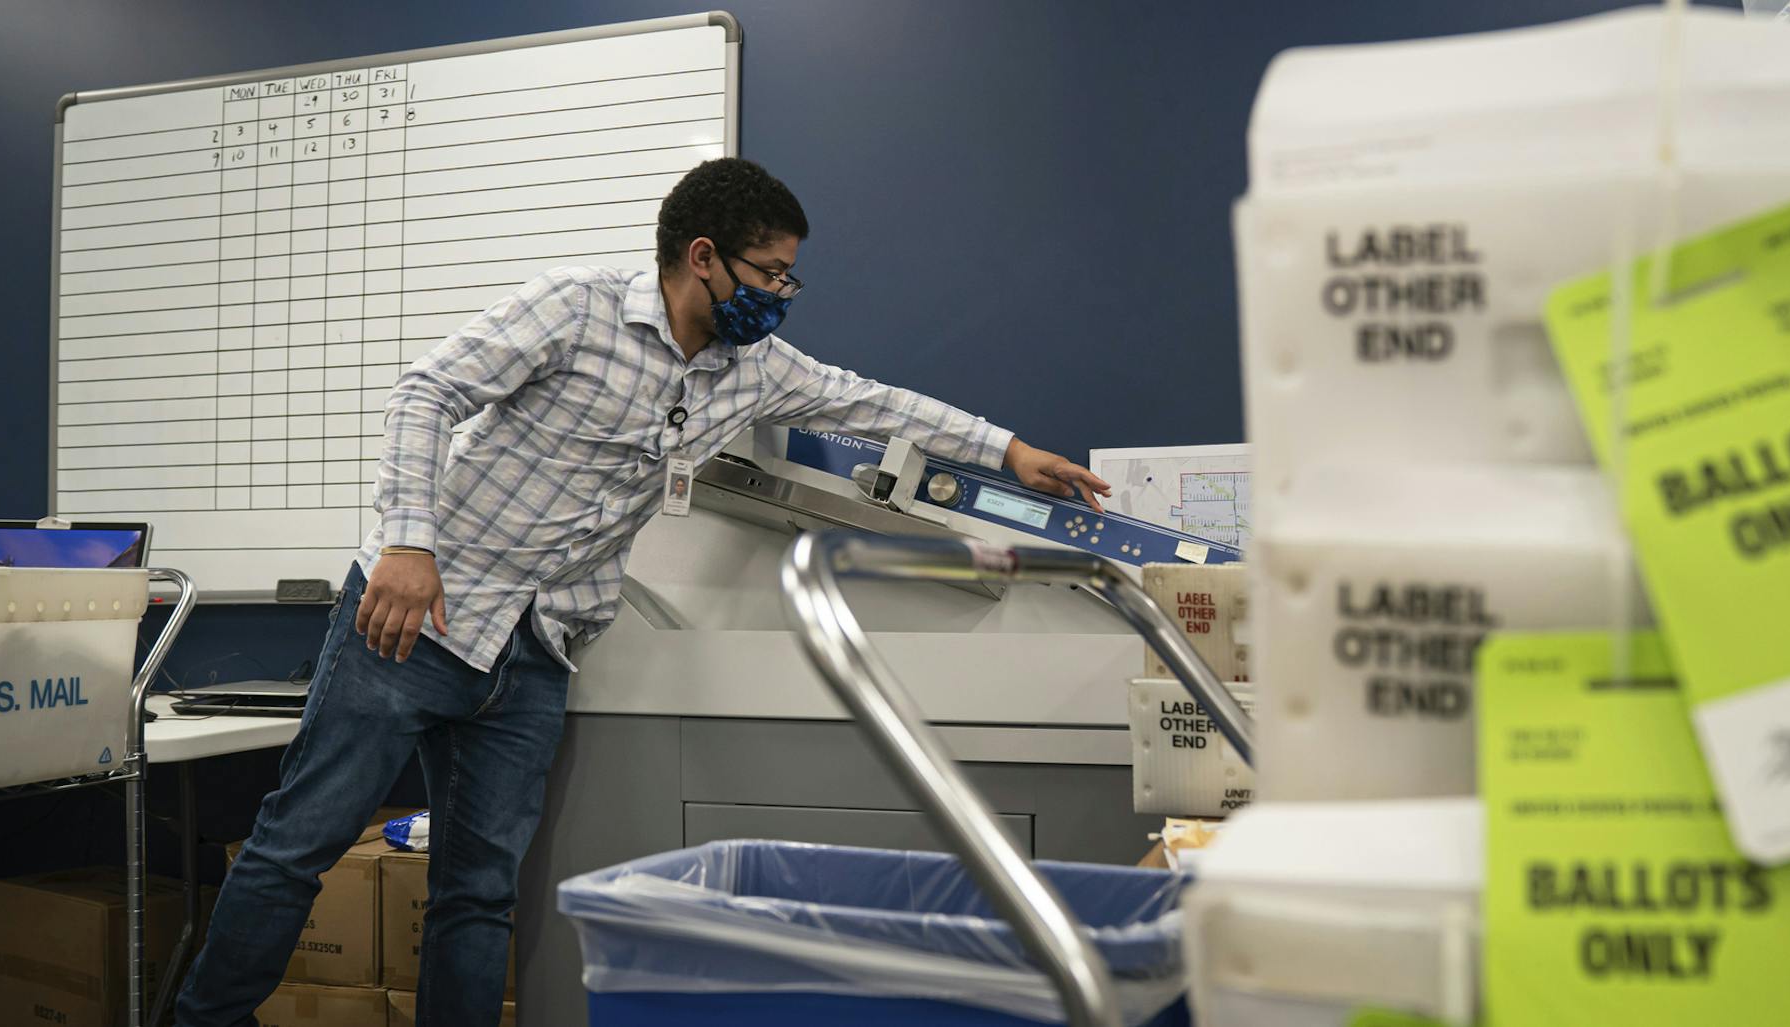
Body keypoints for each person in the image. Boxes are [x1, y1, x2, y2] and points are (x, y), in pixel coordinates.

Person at [174, 157, 1111, 1026]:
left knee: (480, 889)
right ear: (702, 257)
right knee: (300, 842)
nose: (781, 294)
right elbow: (426, 392)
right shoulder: (575, 309)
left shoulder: (752, 370)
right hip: (417, 618)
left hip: (536, 650)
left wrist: (1008, 451)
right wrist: (409, 544)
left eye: (790, 277)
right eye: (770, 272)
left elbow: (873, 403)